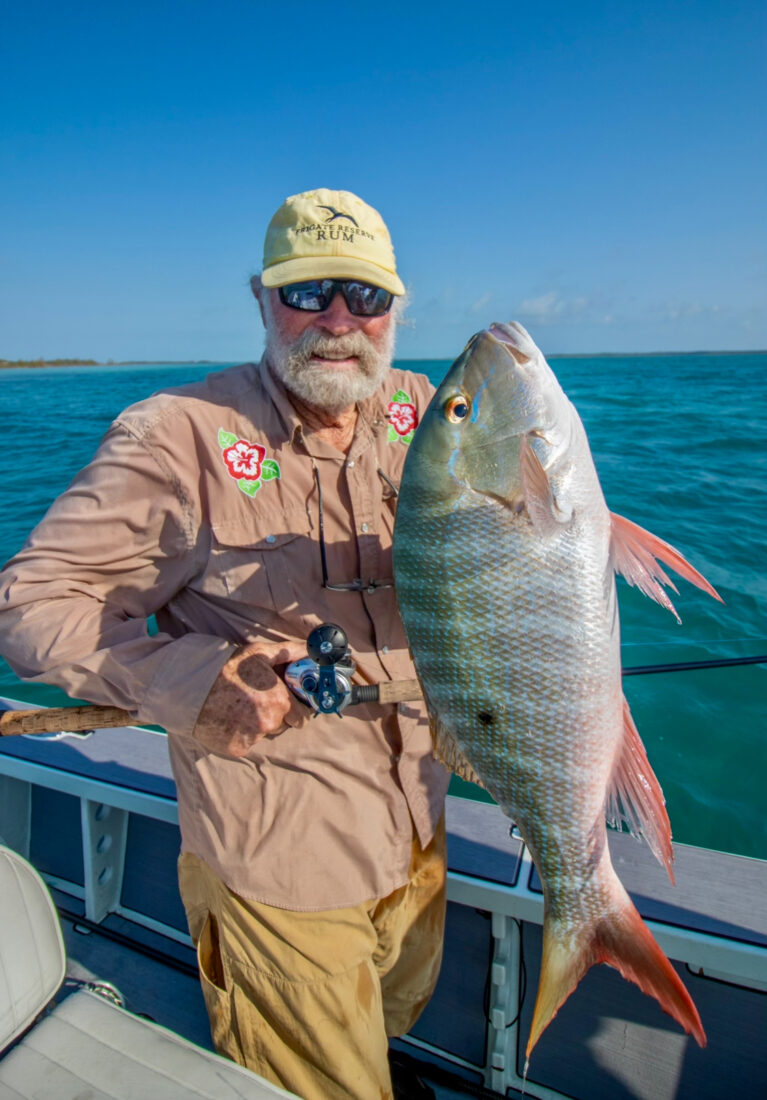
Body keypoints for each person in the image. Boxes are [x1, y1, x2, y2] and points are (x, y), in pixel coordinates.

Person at [0, 188, 449, 1100]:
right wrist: (195, 677)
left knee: (393, 1019)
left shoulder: (428, 410)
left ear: (396, 307)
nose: (338, 320)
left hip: (419, 825)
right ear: (260, 297)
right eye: (308, 291)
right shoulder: (176, 436)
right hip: (278, 853)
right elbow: (33, 601)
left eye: (365, 296)